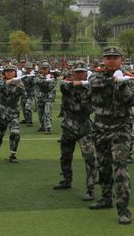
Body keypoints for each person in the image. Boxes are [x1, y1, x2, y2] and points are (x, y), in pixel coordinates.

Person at [88, 46, 134, 225]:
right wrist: (114, 80)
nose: (111, 60)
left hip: (120, 127)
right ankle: (105, 198)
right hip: (100, 126)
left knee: (120, 169)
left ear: (121, 59)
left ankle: (124, 210)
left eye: (114, 57)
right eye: (108, 57)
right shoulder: (97, 76)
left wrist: (122, 83)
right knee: (102, 165)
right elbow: (94, 85)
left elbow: (133, 99)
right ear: (104, 59)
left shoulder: (129, 78)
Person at [53, 60, 96, 201]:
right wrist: (85, 83)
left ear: (85, 73)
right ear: (72, 73)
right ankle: (66, 180)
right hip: (69, 126)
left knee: (89, 158)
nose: (79, 74)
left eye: (81, 72)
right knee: (65, 156)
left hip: (85, 126)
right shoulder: (66, 84)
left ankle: (90, 188)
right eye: (76, 72)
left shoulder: (91, 87)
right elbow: (66, 85)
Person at [0, 64, 25, 162]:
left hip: (13, 112)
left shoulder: (19, 83)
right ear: (4, 73)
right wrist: (11, 81)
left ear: (15, 72)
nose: (10, 73)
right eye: (7, 71)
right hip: (1, 112)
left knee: (15, 133)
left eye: (12, 71)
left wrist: (20, 85)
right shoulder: (1, 82)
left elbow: (23, 93)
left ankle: (12, 155)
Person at [35, 62, 56, 134]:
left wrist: (45, 82)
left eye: (46, 68)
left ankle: (48, 127)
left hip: (48, 97)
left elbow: (51, 86)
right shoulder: (38, 76)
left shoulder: (51, 77)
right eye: (43, 68)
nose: (44, 70)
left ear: (48, 69)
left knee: (47, 112)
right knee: (40, 113)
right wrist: (46, 81)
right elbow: (37, 82)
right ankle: (42, 126)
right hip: (40, 97)